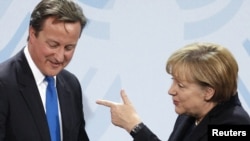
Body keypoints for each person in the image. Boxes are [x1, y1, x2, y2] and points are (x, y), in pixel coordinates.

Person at [96, 42, 250, 141]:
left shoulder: (235, 125)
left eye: (181, 85)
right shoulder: (188, 116)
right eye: (173, 81)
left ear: (208, 92)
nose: (171, 91)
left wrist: (135, 127)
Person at [0, 0, 89, 141]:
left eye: (69, 48)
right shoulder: (3, 83)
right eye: (53, 45)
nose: (60, 57)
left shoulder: (71, 85)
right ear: (33, 34)